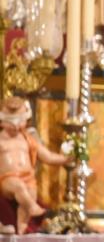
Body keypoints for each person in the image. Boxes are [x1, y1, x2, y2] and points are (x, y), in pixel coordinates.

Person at [0, 97, 70, 234]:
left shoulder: (28, 139)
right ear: (2, 121)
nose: (15, 126)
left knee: (30, 192)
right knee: (18, 187)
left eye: (19, 121)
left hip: (28, 178)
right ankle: (32, 207)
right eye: (10, 121)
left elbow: (48, 156)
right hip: (8, 179)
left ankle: (21, 228)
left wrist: (66, 159)